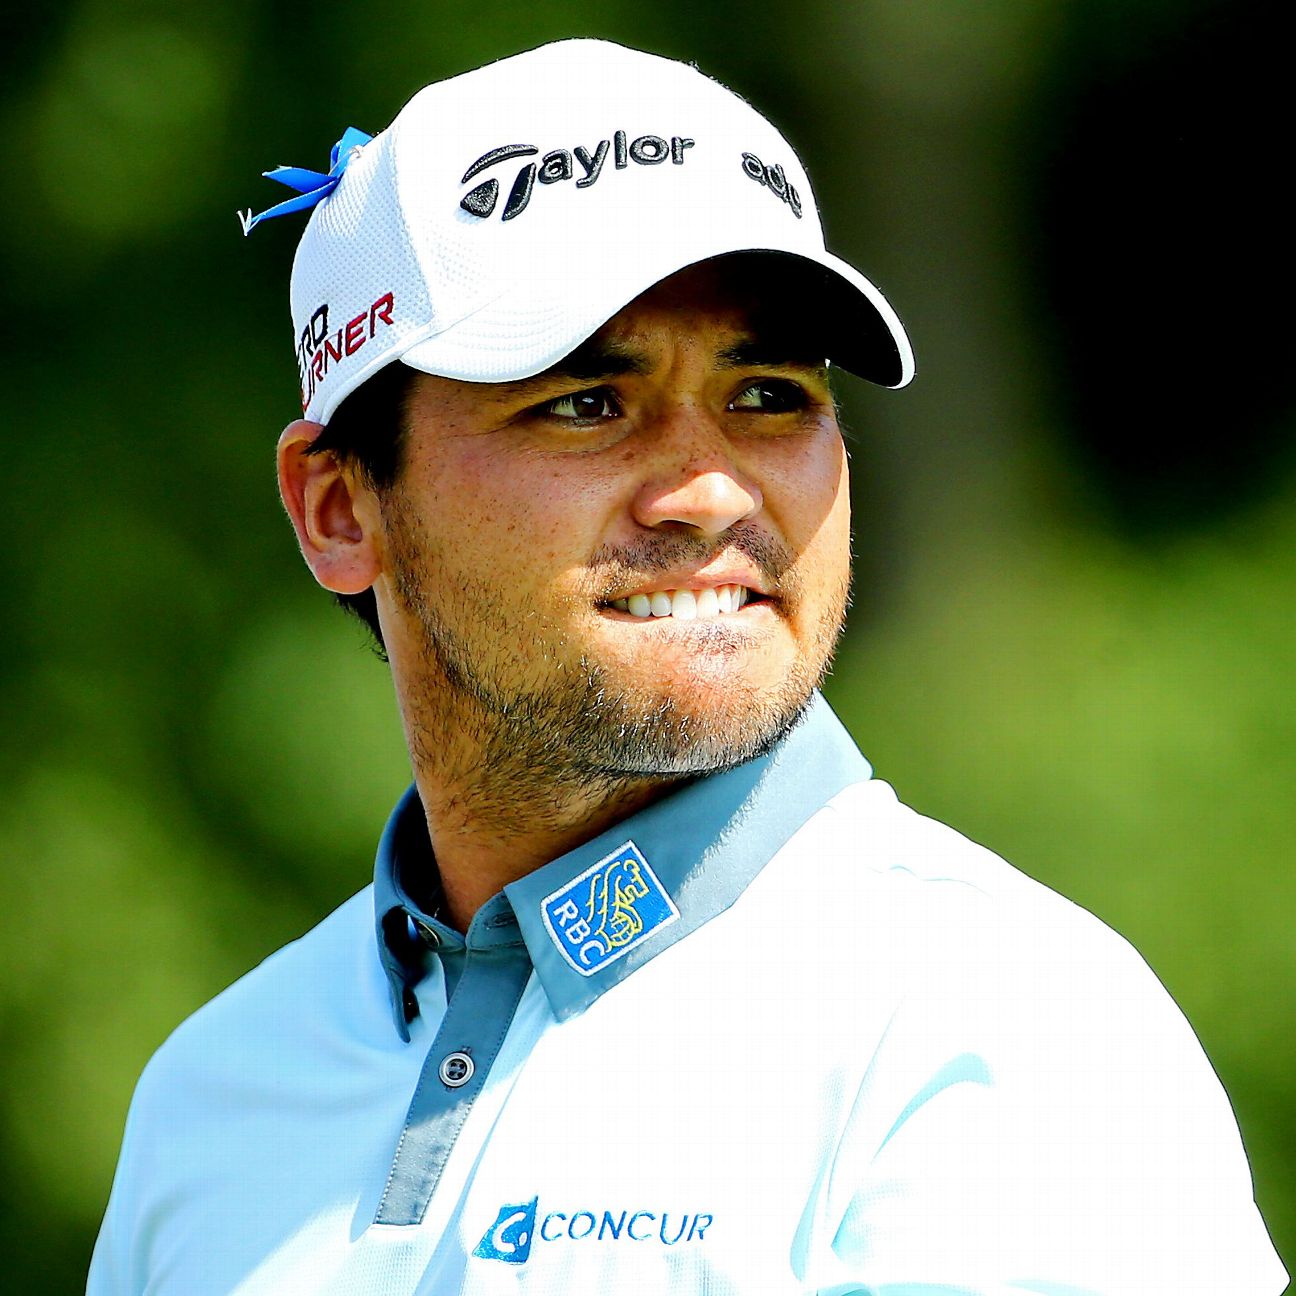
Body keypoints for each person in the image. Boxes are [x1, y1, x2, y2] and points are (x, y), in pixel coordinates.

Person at [88, 38, 1287, 1295]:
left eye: (768, 394)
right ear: (339, 507)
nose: (711, 491)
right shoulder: (210, 1099)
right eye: (585, 405)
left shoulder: (1001, 1030)